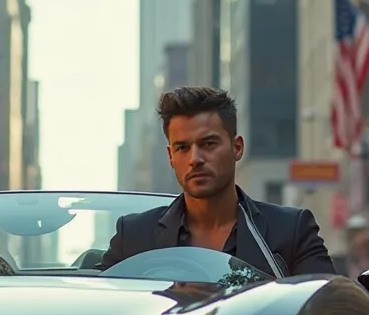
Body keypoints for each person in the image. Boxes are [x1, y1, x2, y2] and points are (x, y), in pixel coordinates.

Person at [99, 86, 335, 277]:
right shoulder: (133, 235)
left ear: (237, 148)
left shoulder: (291, 230)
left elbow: (329, 308)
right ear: (171, 156)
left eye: (208, 144)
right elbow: (102, 310)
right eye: (183, 147)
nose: (195, 159)